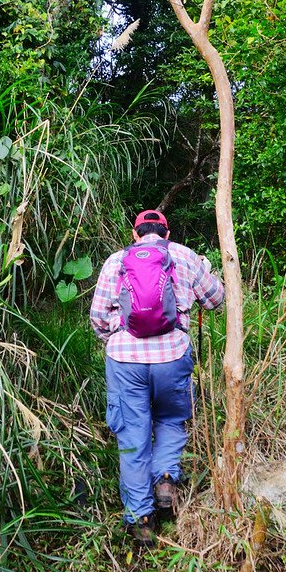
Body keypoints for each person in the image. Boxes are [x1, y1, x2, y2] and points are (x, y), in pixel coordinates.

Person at [90, 209, 224, 545]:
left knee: (132, 436)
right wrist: (205, 271)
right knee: (171, 419)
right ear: (167, 233)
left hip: (125, 359)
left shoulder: (116, 261)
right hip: (173, 357)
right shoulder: (184, 256)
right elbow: (216, 300)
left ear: (135, 235)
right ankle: (165, 478)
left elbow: (97, 317)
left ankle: (141, 519)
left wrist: (115, 340)